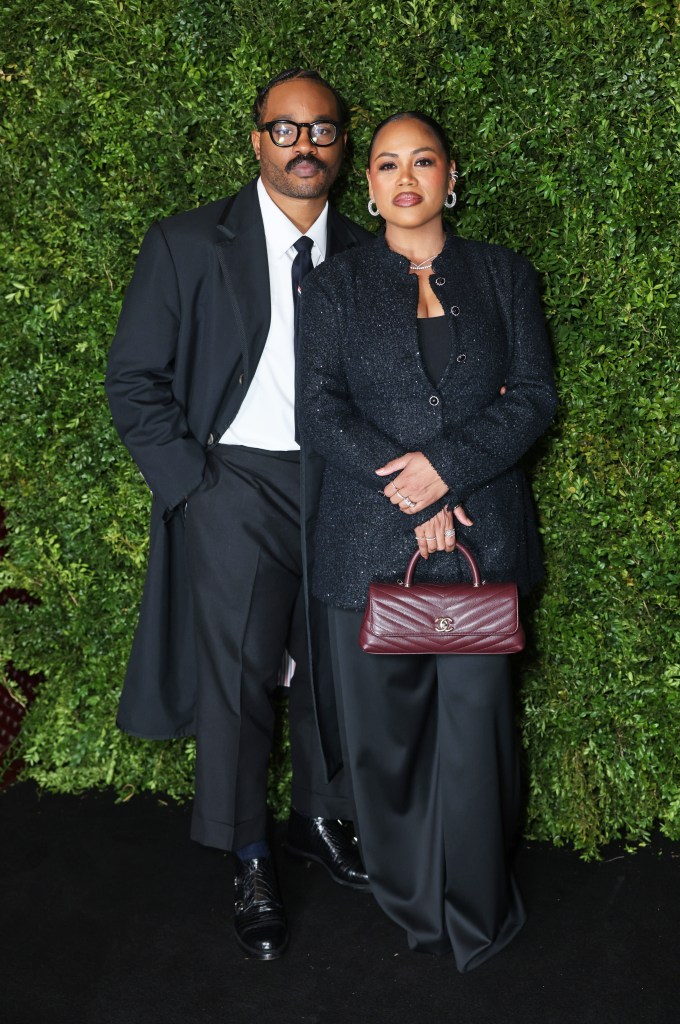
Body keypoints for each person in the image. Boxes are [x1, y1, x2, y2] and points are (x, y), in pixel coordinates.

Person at [105, 68, 374, 962]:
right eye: (285, 129)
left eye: (322, 130)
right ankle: (247, 850)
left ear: (341, 146)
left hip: (342, 486)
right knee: (238, 676)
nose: (304, 145)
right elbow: (133, 379)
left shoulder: (368, 254)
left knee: (335, 663)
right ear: (257, 139)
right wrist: (194, 485)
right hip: (235, 482)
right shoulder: (187, 242)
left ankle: (320, 818)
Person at [298, 111, 557, 971]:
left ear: (451, 175)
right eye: (386, 164)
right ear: (368, 187)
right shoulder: (333, 287)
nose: (404, 178)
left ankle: (477, 913)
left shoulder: (503, 273)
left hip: (482, 541)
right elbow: (319, 410)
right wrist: (411, 494)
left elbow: (532, 396)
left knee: (478, 737)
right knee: (386, 745)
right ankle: (412, 905)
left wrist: (444, 471)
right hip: (367, 545)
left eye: (422, 161)